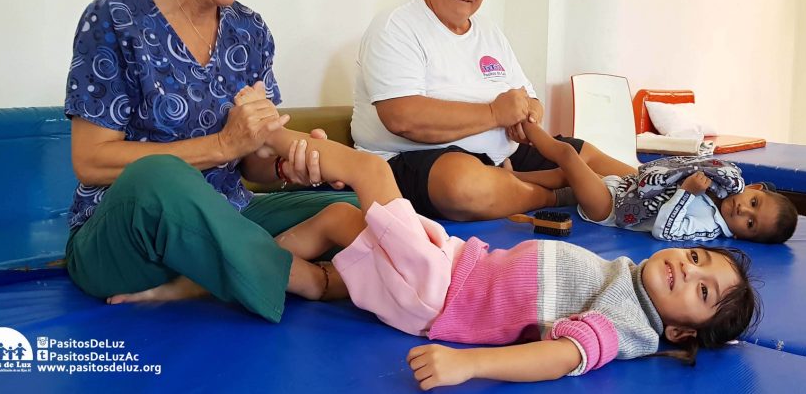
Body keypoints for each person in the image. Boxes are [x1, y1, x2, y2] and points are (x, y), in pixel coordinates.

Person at [238, 79, 760, 387]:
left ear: (682, 334)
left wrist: (469, 366)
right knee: (339, 224)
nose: (687, 268)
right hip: (450, 267)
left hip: (442, 289)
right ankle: (289, 276)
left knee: (372, 175)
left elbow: (561, 356)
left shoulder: (628, 324)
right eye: (695, 257)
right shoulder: (632, 285)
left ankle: (264, 133)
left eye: (702, 289)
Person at [63, 0, 357, 323]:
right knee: (158, 175)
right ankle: (308, 280)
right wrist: (222, 145)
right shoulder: (115, 16)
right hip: (127, 236)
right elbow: (91, 161)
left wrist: (284, 167)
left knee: (350, 210)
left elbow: (252, 160)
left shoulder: (251, 31)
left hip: (227, 216)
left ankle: (200, 282)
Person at [350, 0, 636, 222]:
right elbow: (403, 118)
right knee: (462, 185)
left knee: (583, 155)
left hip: (503, 153)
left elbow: (530, 98)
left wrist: (528, 117)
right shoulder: (395, 26)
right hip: (412, 159)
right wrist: (495, 113)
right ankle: (557, 193)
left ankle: (661, 190)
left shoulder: (488, 31)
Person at [516, 121, 799, 243]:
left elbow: (665, 230)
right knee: (568, 174)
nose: (743, 212)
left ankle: (524, 122)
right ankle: (512, 176)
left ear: (741, 235)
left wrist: (687, 194)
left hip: (610, 208)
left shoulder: (708, 226)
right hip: (624, 187)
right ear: (754, 189)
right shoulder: (721, 188)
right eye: (753, 203)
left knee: (567, 155)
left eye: (750, 223)